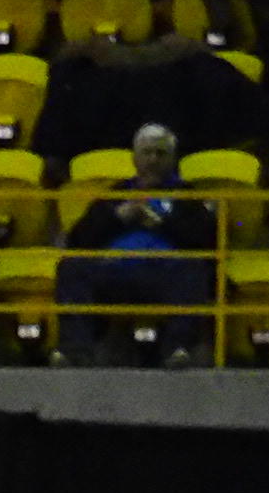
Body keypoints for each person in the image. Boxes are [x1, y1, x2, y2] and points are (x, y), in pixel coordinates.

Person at [58, 123, 216, 365]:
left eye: (161, 153)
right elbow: (79, 238)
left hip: (164, 275)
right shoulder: (116, 194)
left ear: (173, 159)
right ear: (135, 157)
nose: (153, 160)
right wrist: (117, 218)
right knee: (72, 267)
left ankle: (177, 349)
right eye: (147, 152)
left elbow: (206, 239)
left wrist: (163, 223)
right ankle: (75, 351)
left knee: (195, 269)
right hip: (116, 273)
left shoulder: (187, 196)